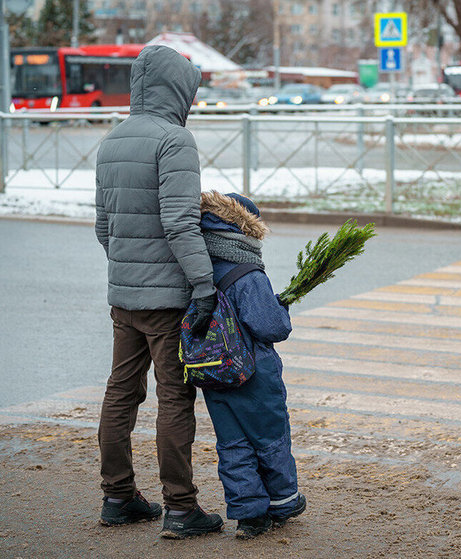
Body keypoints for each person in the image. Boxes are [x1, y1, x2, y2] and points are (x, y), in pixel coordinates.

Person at [95, 45, 224, 539]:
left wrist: (128, 270)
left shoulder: (112, 141)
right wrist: (203, 284)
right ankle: (181, 508)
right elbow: (180, 223)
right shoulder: (175, 140)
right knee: (175, 397)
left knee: (120, 393)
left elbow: (104, 228)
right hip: (169, 303)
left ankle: (118, 496)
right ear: (178, 89)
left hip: (124, 299)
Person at [197, 190, 305, 540]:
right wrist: (280, 307)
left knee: (233, 445)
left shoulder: (200, 270)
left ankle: (248, 516)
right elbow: (271, 326)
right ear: (246, 231)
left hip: (215, 373)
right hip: (254, 373)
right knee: (270, 438)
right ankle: (283, 502)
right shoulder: (248, 274)